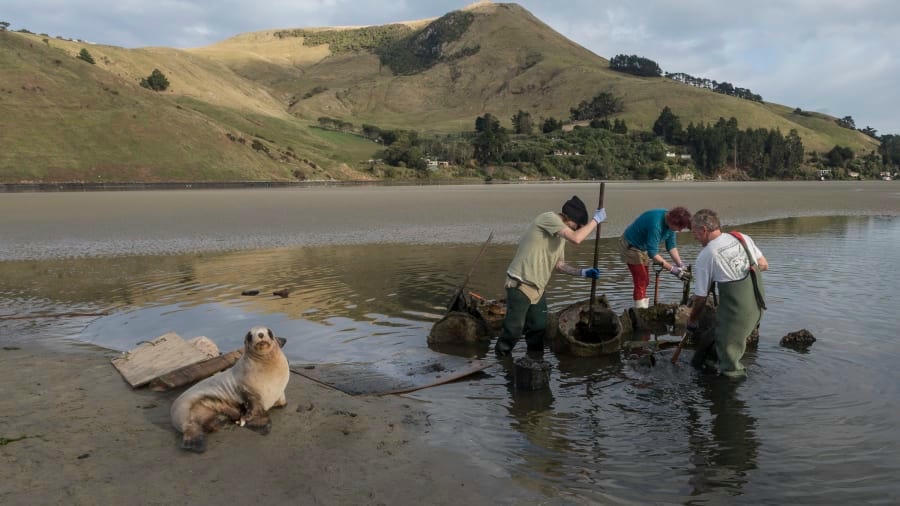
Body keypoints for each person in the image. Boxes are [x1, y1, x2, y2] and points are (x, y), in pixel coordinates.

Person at [494, 195, 607, 358]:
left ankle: (534, 359)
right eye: (576, 226)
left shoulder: (560, 237)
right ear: (569, 218)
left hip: (538, 289)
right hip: (520, 283)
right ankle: (501, 359)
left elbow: (559, 265)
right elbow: (577, 239)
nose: (576, 230)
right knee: (514, 329)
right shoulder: (549, 218)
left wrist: (582, 272)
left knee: (539, 326)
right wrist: (596, 221)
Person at [686, 209, 768, 376]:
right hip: (758, 308)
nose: (693, 236)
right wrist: (737, 270)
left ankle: (729, 394)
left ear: (703, 230)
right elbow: (764, 264)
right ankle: (705, 369)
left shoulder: (706, 255)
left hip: (738, 314)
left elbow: (701, 299)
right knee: (708, 344)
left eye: (694, 232)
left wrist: (692, 321)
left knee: (729, 363)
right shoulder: (741, 237)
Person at [619, 206, 692, 309]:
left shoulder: (670, 224)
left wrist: (680, 264)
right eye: (679, 228)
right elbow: (652, 253)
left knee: (646, 280)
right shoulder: (656, 225)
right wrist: (673, 270)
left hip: (642, 247)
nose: (680, 231)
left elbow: (671, 246)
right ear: (673, 222)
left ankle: (643, 307)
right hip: (630, 246)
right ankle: (640, 311)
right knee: (641, 279)